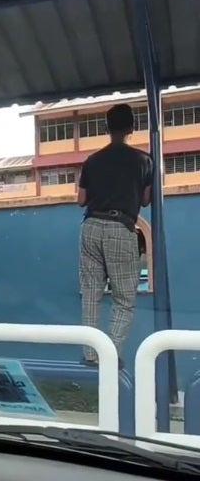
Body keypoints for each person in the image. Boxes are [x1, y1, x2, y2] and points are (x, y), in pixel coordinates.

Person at [77, 103, 153, 368]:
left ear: (106, 128)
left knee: (90, 292)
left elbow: (81, 199)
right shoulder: (143, 160)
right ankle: (110, 355)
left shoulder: (91, 160)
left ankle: (89, 355)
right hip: (121, 227)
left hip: (90, 227)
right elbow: (146, 200)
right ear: (132, 127)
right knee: (123, 298)